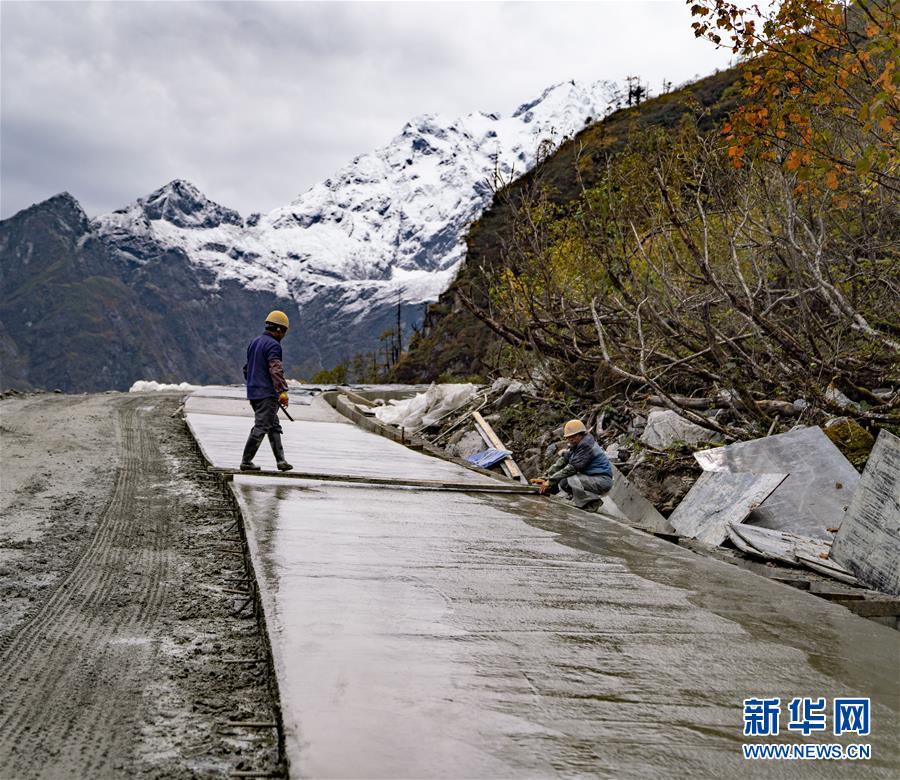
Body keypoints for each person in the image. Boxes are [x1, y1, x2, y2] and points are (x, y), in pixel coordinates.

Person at [239, 310, 293, 472]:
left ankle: (281, 461)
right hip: (266, 394)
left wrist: (253, 385)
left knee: (273, 425)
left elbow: (247, 369)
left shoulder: (254, 342)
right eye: (283, 331)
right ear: (278, 329)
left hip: (254, 393)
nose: (283, 335)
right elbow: (276, 369)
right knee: (262, 426)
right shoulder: (273, 345)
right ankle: (246, 461)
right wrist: (282, 391)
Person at [541, 419, 612, 511]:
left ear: (581, 434)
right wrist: (546, 476)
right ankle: (579, 499)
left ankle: (592, 502)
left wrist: (550, 481)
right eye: (568, 437)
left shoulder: (586, 446)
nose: (570, 439)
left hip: (602, 480)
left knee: (570, 479)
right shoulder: (577, 444)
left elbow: (572, 468)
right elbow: (563, 460)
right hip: (593, 478)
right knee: (564, 482)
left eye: (573, 436)